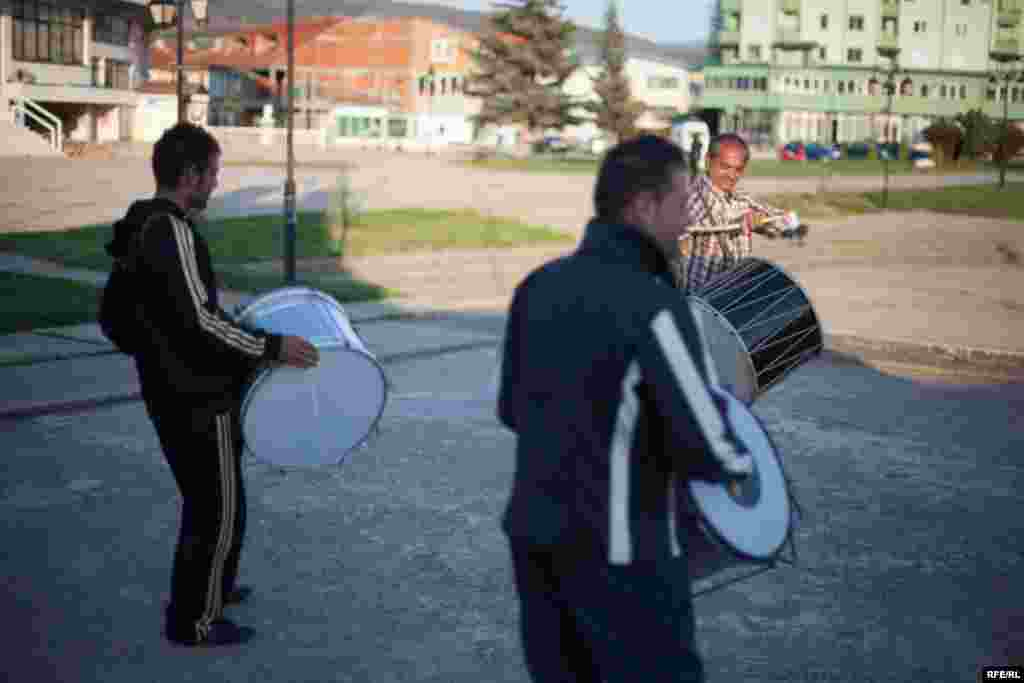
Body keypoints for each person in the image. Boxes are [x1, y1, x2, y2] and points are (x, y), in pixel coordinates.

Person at [497, 135, 754, 683]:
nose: (687, 220)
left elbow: (514, 412)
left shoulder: (536, 288)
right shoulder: (656, 306)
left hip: (536, 541)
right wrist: (743, 468)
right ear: (642, 206)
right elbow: (706, 445)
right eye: (680, 203)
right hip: (623, 553)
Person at [105, 122, 319, 647]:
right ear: (191, 175)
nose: (217, 184)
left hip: (173, 387)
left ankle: (212, 587)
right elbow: (199, 322)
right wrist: (271, 347)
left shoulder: (141, 225)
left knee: (213, 500)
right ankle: (196, 619)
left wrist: (161, 347)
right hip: (197, 394)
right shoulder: (170, 229)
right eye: (214, 174)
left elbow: (135, 315)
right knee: (217, 505)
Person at [676, 132, 801, 293]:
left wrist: (763, 220)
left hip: (728, 300)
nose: (732, 176)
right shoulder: (690, 198)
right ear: (708, 161)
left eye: (738, 170)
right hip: (695, 305)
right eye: (725, 167)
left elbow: (791, 222)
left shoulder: (742, 200)